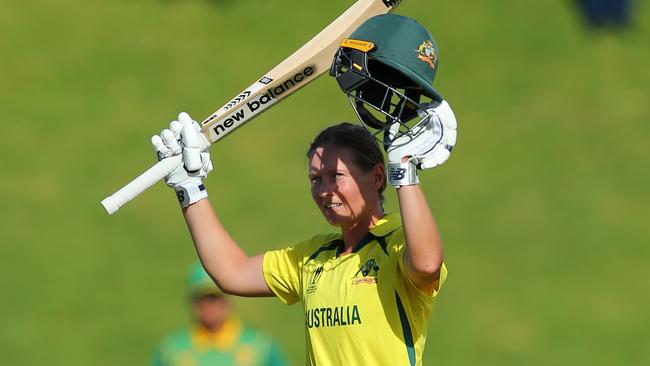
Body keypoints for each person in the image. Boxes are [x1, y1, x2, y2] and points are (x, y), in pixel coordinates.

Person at [150, 14, 457, 366]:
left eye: (335, 175)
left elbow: (427, 263)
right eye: (315, 179)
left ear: (376, 177)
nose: (324, 190)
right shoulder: (313, 259)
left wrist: (405, 170)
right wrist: (190, 189)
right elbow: (231, 272)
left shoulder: (397, 245)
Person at [152, 262, 289, 366]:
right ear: (192, 303)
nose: (209, 306)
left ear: (228, 301)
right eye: (202, 298)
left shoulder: (262, 347)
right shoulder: (170, 350)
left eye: (214, 298)